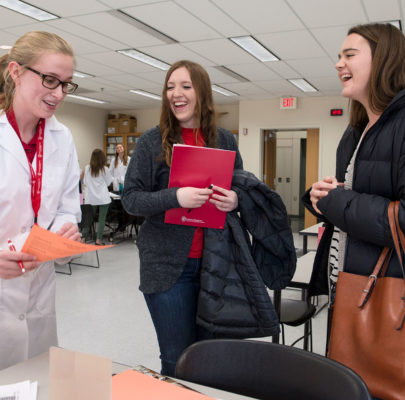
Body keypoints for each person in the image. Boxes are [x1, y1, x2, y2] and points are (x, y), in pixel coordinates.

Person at [121, 60, 244, 377]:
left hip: (214, 266)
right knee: (177, 359)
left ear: (202, 92)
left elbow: (242, 188)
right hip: (166, 269)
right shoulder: (152, 141)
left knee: (210, 356)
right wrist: (175, 196)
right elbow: (131, 199)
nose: (176, 93)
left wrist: (235, 200)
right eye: (170, 86)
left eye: (186, 86)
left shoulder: (225, 140)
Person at [302, 22, 405, 396]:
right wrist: (317, 196)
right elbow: (349, 203)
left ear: (384, 60)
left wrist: (338, 201)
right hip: (344, 286)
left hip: (384, 294)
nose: (338, 64)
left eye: (349, 55)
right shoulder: (355, 130)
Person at [0, 31, 81, 369]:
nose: (59, 93)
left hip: (40, 287)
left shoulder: (62, 138)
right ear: (16, 72)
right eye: (50, 80)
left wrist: (67, 231)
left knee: (34, 381)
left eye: (66, 84)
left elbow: (66, 206)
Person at [81, 149, 113, 245]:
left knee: (88, 218)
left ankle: (83, 238)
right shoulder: (104, 169)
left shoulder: (87, 168)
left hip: (91, 198)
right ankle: (98, 240)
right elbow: (108, 182)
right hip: (103, 198)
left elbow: (84, 182)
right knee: (101, 219)